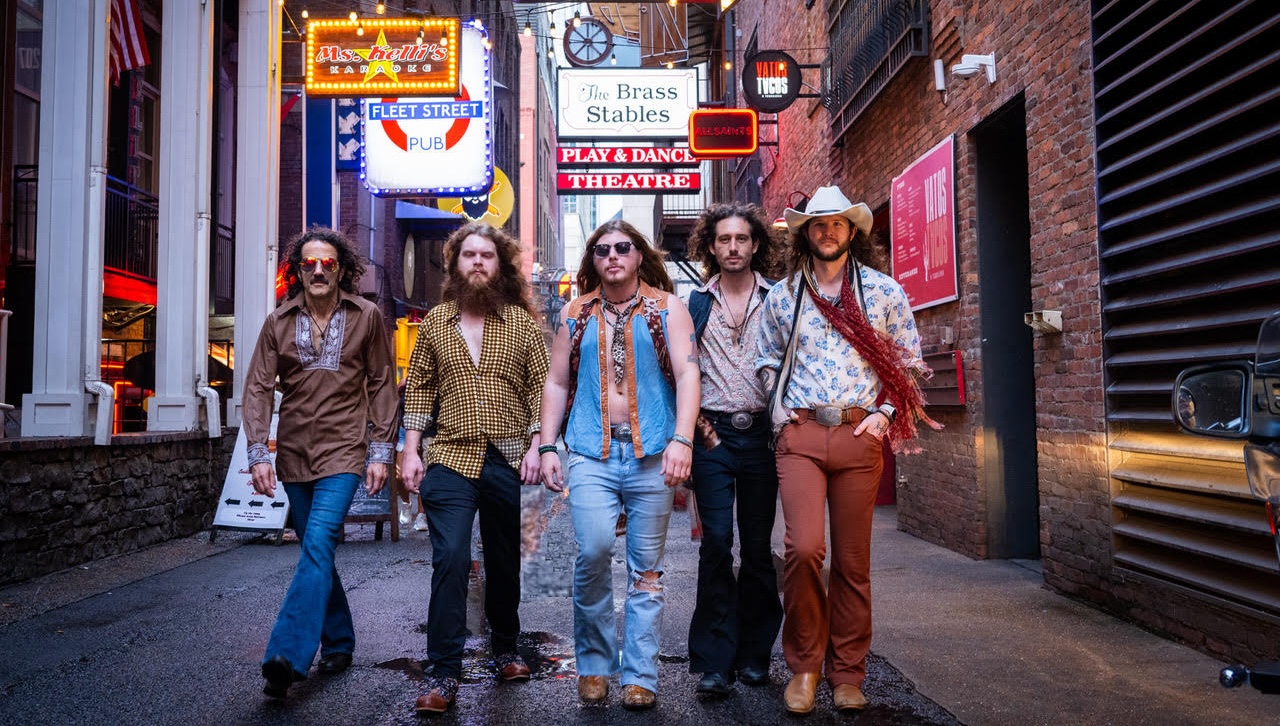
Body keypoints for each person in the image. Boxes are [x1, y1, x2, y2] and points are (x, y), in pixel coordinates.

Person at [756, 185, 937, 714]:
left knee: (853, 562)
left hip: (860, 434)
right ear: (805, 233)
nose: (828, 231)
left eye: (837, 222)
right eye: (819, 223)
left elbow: (909, 362)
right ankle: (805, 667)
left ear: (852, 231)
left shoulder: (882, 292)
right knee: (804, 550)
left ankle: (848, 672)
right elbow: (765, 359)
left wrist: (885, 415)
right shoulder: (784, 296)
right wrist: (778, 412)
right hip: (803, 434)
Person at [539, 219, 700, 710]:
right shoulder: (575, 313)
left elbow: (689, 375)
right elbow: (557, 382)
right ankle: (594, 664)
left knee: (646, 571)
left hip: (653, 453)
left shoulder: (667, 308)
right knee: (592, 554)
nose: (612, 255)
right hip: (592, 451)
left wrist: (682, 440)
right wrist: (547, 446)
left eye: (622, 247)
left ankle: (641, 675)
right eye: (602, 249)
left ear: (638, 256)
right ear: (593, 259)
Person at [242, 226, 398, 699]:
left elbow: (382, 383)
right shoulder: (278, 322)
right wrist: (257, 452)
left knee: (316, 543)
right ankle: (340, 640)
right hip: (293, 455)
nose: (317, 270)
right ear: (297, 270)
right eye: (308, 263)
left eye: (327, 263)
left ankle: (287, 655)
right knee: (318, 551)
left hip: (345, 451)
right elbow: (258, 388)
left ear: (341, 269)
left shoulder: (367, 316)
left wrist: (381, 450)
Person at [400, 221, 550, 714]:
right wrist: (411, 450)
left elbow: (540, 388)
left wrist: (538, 445)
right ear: (456, 264)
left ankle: (505, 646)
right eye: (470, 255)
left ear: (499, 265)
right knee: (450, 558)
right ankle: (444, 672)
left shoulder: (521, 323)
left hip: (509, 457)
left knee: (505, 560)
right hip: (450, 456)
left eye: (487, 255)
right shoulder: (435, 323)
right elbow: (419, 389)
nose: (479, 262)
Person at [682, 202, 783, 697]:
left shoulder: (779, 298)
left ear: (756, 243)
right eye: (724, 239)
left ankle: (756, 655)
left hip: (764, 436)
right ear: (711, 246)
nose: (733, 247)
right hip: (713, 437)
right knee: (717, 543)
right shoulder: (695, 303)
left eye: (741, 238)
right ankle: (715, 661)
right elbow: (679, 370)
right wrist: (698, 429)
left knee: (759, 548)